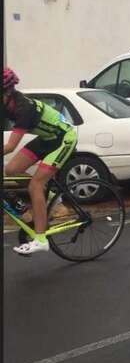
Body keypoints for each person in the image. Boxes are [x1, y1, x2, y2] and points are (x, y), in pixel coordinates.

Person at [3, 68, 78, 255]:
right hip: (47, 139)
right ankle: (49, 193)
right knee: (11, 169)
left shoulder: (24, 109)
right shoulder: (6, 104)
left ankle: (41, 239)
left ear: (5, 92)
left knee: (35, 185)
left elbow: (11, 146)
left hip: (63, 138)